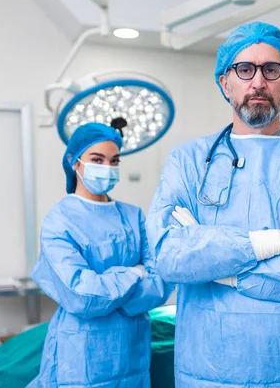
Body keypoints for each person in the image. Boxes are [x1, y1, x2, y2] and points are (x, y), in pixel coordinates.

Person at [146, 21, 280, 387]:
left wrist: (220, 270)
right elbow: (169, 255)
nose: (258, 82)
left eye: (271, 70)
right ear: (225, 83)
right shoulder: (188, 161)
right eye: (245, 69)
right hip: (211, 366)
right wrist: (277, 243)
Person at [29, 123, 172, 387]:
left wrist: (106, 288)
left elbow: (160, 283)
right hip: (80, 354)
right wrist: (133, 273)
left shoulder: (133, 217)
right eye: (97, 159)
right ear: (75, 163)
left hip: (132, 349)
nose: (107, 167)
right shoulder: (60, 221)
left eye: (114, 160)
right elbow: (80, 295)